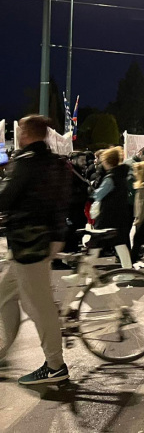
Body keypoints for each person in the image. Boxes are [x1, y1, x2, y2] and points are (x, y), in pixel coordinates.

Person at [0, 115, 71, 385]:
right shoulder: (54, 161)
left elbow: (5, 197)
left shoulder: (26, 162)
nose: (17, 135)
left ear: (27, 133)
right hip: (46, 237)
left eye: (20, 131)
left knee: (39, 307)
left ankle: (55, 366)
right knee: (4, 295)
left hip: (29, 242)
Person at [92, 146, 134, 268]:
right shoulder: (122, 174)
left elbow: (98, 194)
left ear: (107, 161)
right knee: (120, 244)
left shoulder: (111, 178)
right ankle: (127, 270)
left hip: (107, 216)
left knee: (95, 244)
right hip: (119, 214)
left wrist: (91, 190)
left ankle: (82, 272)